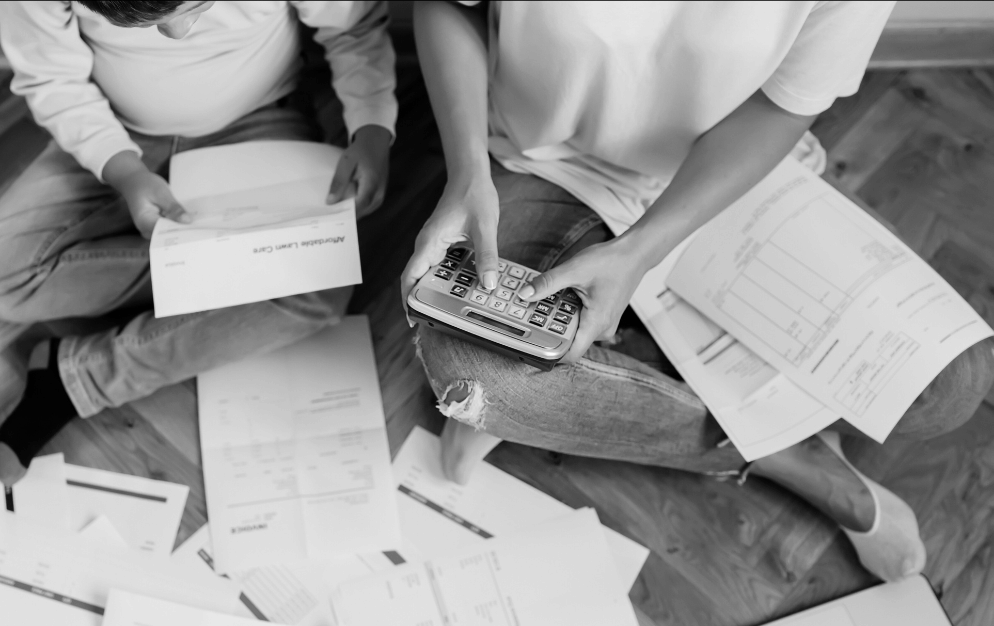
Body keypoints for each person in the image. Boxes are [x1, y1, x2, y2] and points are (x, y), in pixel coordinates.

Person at [402, 1, 994, 583]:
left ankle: (578, 388)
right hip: (543, 164)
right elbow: (450, 6)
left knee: (953, 385)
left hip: (712, 183)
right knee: (476, 383)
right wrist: (466, 170)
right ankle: (781, 453)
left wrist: (642, 249)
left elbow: (783, 104)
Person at [0, 0, 397, 485]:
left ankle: (80, 379)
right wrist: (121, 169)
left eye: (196, 6)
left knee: (320, 284)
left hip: (256, 123)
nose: (177, 33)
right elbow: (51, 78)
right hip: (111, 129)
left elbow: (353, 30)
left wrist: (373, 126)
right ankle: (225, 276)